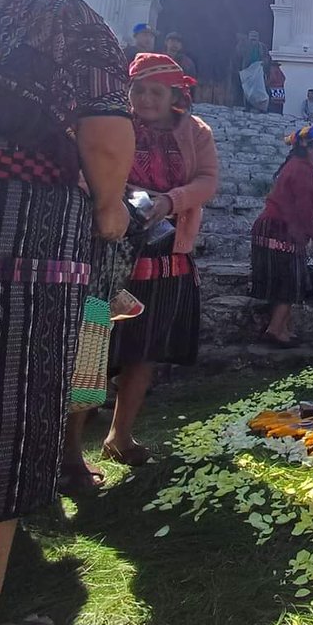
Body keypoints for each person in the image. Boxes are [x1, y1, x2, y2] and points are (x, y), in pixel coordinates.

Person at [0, 0, 133, 625]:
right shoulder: (59, 16)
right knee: (7, 405)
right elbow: (106, 137)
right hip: (18, 235)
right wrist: (110, 212)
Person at [101, 54, 218, 464]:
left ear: (175, 95)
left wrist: (171, 201)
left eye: (156, 91)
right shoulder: (111, 125)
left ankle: (121, 434)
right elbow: (86, 168)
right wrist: (119, 195)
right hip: (110, 253)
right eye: (138, 90)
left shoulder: (196, 132)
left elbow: (207, 180)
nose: (145, 99)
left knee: (145, 347)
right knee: (93, 346)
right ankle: (68, 452)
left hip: (167, 252)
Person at [250, 124, 313, 346]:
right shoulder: (301, 170)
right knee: (289, 282)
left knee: (289, 280)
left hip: (280, 228)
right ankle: (275, 330)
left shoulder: (300, 167)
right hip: (280, 229)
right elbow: (302, 207)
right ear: (312, 147)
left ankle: (283, 328)